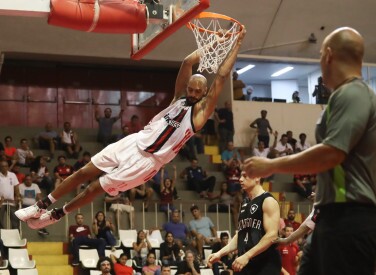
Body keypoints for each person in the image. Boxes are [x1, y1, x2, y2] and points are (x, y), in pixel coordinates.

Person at [15, 27, 246, 229]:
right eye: (191, 89)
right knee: (85, 171)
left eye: (198, 91)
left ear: (204, 93)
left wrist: (235, 43)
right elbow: (187, 61)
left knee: (94, 188)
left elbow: (222, 76)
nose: (194, 93)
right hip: (134, 142)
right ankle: (40, 205)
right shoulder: (178, 98)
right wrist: (217, 41)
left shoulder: (200, 115)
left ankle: (55, 215)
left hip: (147, 162)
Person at [243, 27, 376, 275]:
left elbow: (332, 153)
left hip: (349, 216)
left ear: (328, 55)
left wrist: (271, 165)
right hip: (333, 216)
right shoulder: (343, 96)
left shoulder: (353, 93)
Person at [207, 173, 281, 274]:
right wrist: (219, 253)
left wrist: (247, 255)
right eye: (241, 176)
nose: (240, 179)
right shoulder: (245, 203)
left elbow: (272, 235)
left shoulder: (268, 201)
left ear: (257, 177)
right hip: (246, 261)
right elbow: (240, 235)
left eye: (245, 176)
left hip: (265, 262)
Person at [0, 160, 20, 229]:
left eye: (6, 166)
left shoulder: (12, 175)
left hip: (11, 201)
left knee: (15, 219)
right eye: (2, 166)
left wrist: (18, 196)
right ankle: (2, 236)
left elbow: (16, 187)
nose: (4, 168)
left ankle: (15, 236)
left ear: (8, 167)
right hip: (1, 202)